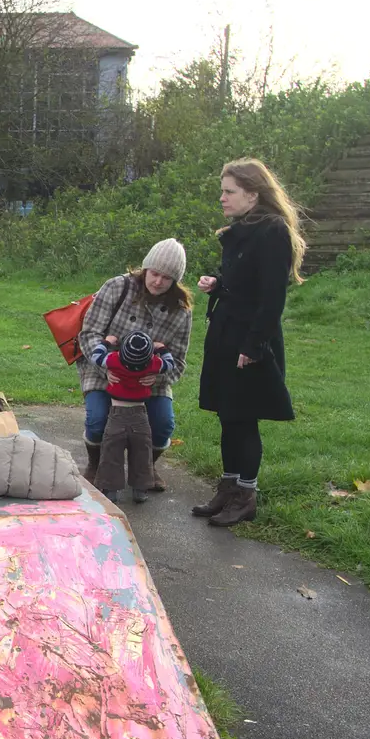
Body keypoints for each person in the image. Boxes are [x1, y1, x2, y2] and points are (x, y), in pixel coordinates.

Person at [193, 159, 300, 527]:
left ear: (252, 195)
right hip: (227, 332)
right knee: (228, 414)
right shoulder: (244, 229)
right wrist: (218, 285)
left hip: (249, 339)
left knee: (243, 418)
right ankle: (227, 488)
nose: (222, 198)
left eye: (229, 191)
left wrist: (254, 347)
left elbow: (271, 298)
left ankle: (245, 496)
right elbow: (246, 284)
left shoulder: (272, 232)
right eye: (223, 190)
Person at [76, 239, 194, 491]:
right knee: (97, 420)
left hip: (150, 377)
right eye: (154, 273)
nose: (158, 281)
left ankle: (147, 467)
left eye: (167, 277)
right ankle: (96, 464)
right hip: (105, 368)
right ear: (145, 269)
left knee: (163, 424)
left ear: (176, 280)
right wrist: (106, 366)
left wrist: (158, 377)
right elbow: (89, 334)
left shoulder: (181, 310)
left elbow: (180, 360)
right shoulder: (117, 287)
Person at [89, 331, 174, 504]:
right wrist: (162, 348)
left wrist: (106, 342)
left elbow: (95, 357)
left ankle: (111, 490)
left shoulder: (114, 360)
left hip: (116, 416)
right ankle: (140, 490)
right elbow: (170, 364)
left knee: (112, 454)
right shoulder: (153, 364)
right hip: (140, 417)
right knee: (142, 455)